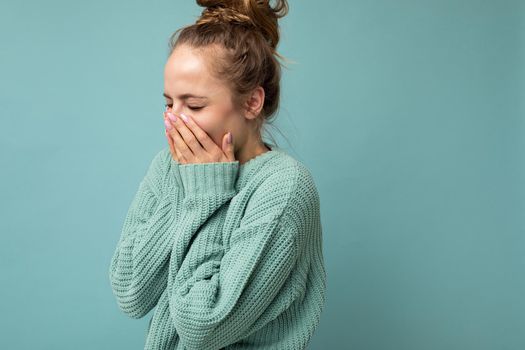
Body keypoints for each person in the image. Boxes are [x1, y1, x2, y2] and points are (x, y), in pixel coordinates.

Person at [108, 0, 327, 349]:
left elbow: (202, 326)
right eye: (169, 103)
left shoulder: (284, 188)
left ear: (252, 103)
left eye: (194, 105)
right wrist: (190, 184)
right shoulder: (169, 166)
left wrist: (207, 196)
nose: (174, 120)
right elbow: (132, 293)